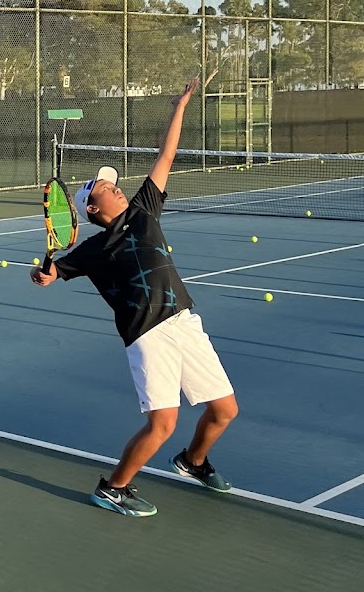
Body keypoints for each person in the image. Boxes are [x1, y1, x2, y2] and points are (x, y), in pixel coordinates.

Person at [31, 77, 238, 517]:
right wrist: (43, 273)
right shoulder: (89, 249)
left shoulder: (144, 210)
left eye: (114, 183)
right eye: (106, 188)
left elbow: (166, 155)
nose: (115, 187)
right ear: (91, 207)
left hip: (184, 320)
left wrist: (180, 105)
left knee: (225, 410)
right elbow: (50, 275)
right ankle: (113, 488)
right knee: (163, 422)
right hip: (147, 334)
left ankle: (193, 462)